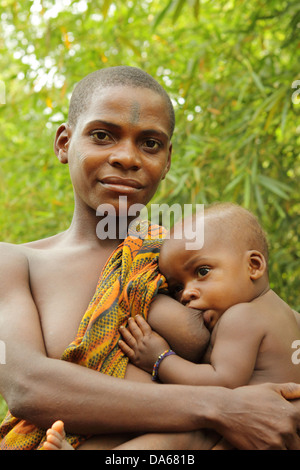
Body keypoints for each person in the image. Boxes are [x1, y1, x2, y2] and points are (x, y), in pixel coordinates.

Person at [1, 67, 300, 451]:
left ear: (168, 159)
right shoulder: (14, 264)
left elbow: (280, 336)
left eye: (150, 144)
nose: (127, 157)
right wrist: (223, 407)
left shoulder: (194, 260)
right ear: (64, 142)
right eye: (102, 135)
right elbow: (28, 386)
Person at [44, 202, 300, 450]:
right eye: (177, 287)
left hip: (243, 433)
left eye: (202, 271)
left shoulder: (242, 316)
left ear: (253, 266)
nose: (187, 293)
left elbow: (221, 384)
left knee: (180, 438)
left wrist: (160, 359)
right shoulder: (289, 316)